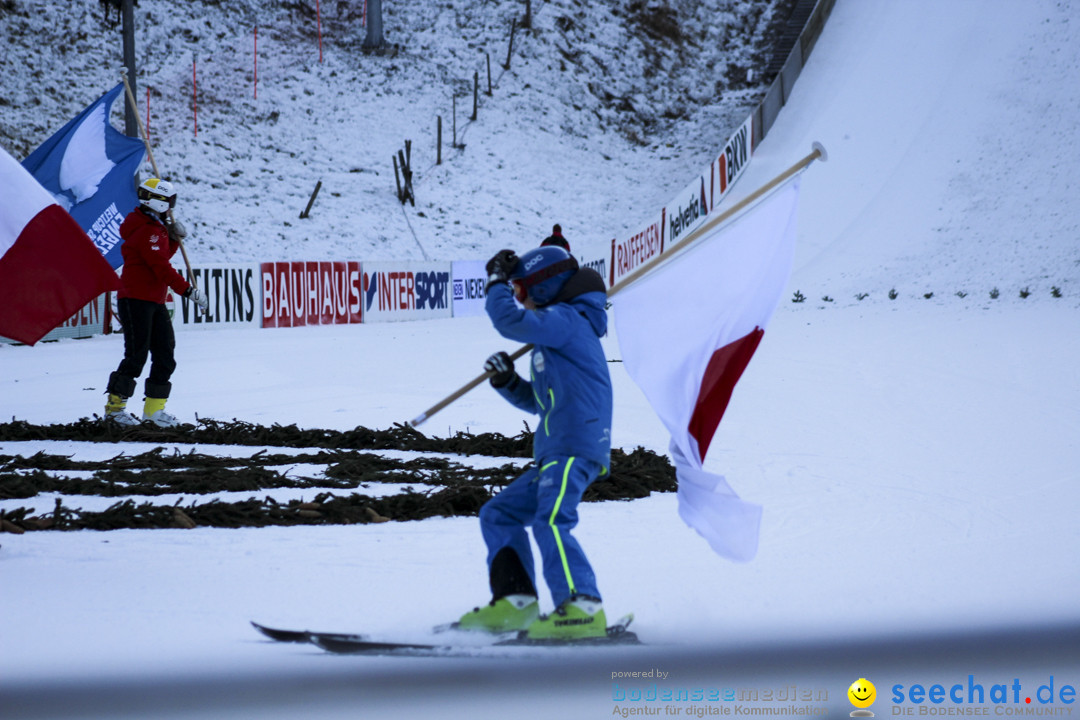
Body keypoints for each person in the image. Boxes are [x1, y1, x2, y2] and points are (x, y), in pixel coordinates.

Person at [457, 244, 613, 640]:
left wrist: (494, 282)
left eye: (521, 289)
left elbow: (508, 321)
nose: (520, 299)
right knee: (499, 514)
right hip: (554, 451)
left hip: (574, 448)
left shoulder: (566, 320)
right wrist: (507, 381)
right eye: (515, 290)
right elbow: (542, 403)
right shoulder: (554, 336)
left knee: (551, 521)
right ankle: (516, 603)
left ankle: (582, 607)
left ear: (545, 285)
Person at [103, 178, 207, 427]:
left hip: (154, 300)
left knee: (165, 354)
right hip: (135, 300)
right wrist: (188, 291)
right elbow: (160, 266)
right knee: (136, 356)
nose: (171, 206)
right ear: (157, 202)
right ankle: (114, 410)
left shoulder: (154, 225)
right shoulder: (145, 229)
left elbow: (159, 255)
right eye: (169, 201)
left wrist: (172, 239)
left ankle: (154, 411)